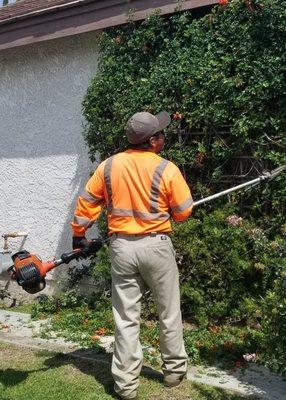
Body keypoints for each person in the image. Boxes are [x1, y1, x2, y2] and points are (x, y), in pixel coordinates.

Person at [71, 111, 193, 400]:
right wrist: (170, 211)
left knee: (126, 317)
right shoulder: (167, 169)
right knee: (169, 311)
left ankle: (126, 386)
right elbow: (185, 212)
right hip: (157, 246)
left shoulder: (108, 167)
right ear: (152, 141)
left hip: (122, 248)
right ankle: (174, 372)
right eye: (160, 134)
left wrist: (79, 234)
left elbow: (87, 203)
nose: (164, 137)